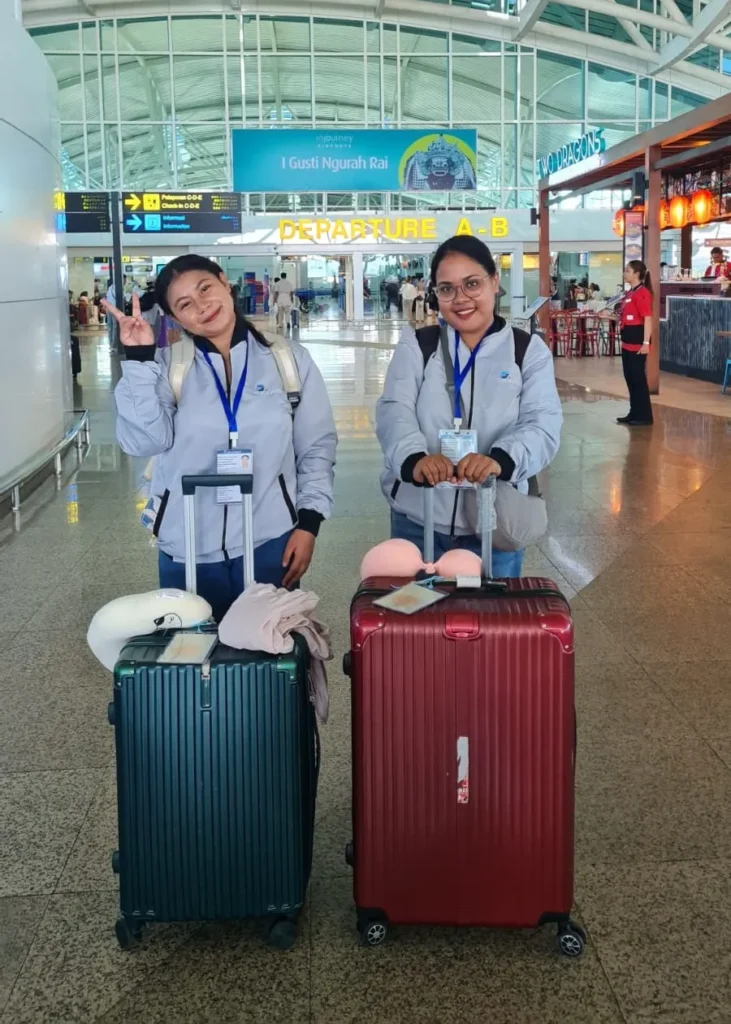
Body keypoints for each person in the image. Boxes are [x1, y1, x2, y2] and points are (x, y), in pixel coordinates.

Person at [105, 254, 337, 622]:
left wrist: (309, 524)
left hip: (270, 540)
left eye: (205, 289)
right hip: (187, 544)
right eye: (185, 304)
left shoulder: (289, 360)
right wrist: (138, 358)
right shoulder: (166, 367)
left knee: (269, 650)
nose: (202, 306)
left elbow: (316, 447)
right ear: (174, 317)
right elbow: (144, 442)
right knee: (192, 651)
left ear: (224, 282)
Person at [376, 235, 562, 579]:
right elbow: (394, 411)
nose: (460, 299)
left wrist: (500, 459)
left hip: (494, 522)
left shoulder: (526, 351)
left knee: (490, 613)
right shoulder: (419, 345)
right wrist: (415, 458)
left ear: (494, 281)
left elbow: (542, 424)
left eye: (472, 284)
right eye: (447, 289)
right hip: (418, 520)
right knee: (416, 612)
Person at [617, 260, 654, 427]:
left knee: (638, 379)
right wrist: (607, 316)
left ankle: (644, 415)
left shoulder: (642, 293)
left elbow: (647, 319)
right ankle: (634, 412)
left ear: (637, 274)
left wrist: (646, 343)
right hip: (627, 341)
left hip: (637, 343)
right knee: (630, 378)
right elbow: (625, 317)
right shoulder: (630, 293)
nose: (624, 273)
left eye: (627, 271)